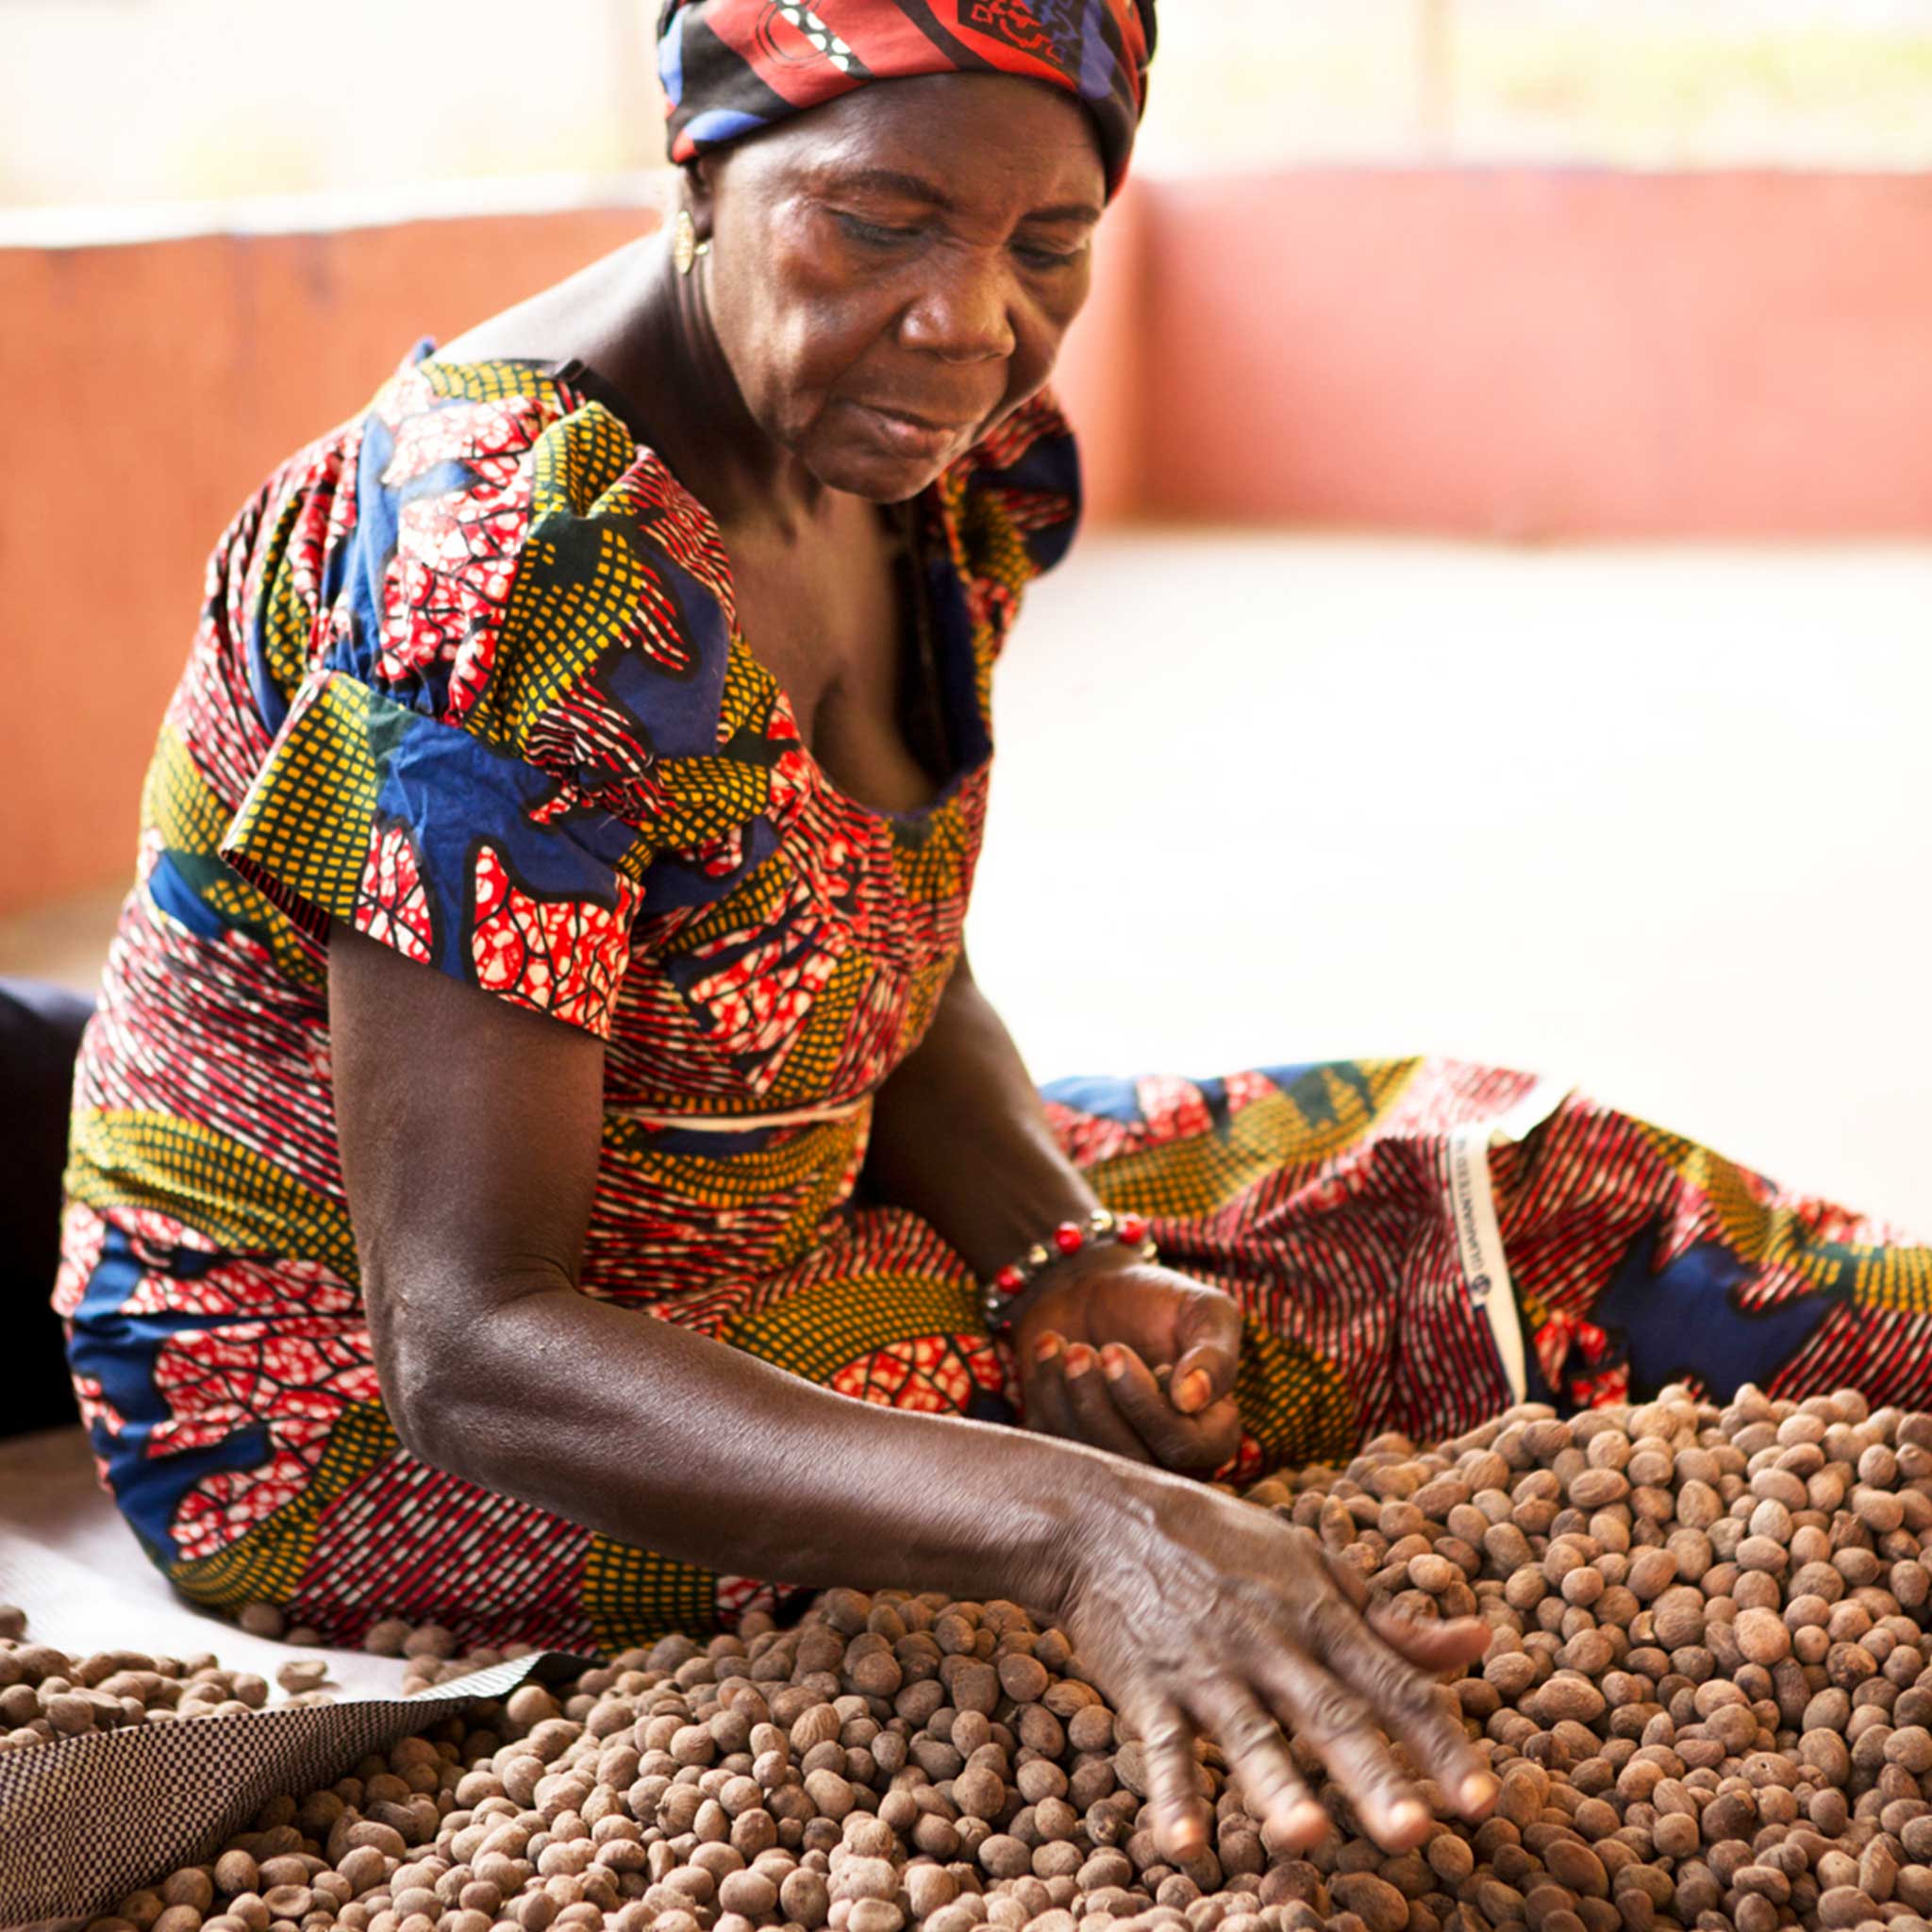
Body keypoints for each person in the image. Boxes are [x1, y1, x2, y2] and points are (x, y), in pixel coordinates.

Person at [56, 0, 1931, 1865]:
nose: (969, 318)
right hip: (382, 1415)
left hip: (753, 1193)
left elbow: (873, 944)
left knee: (1502, 1153)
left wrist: (1049, 1249)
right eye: (879, 220)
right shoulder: (511, 562)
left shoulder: (922, 450)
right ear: (699, 166)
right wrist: (1076, 1528)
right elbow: (466, 1341)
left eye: (1049, 244)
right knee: (1349, 1331)